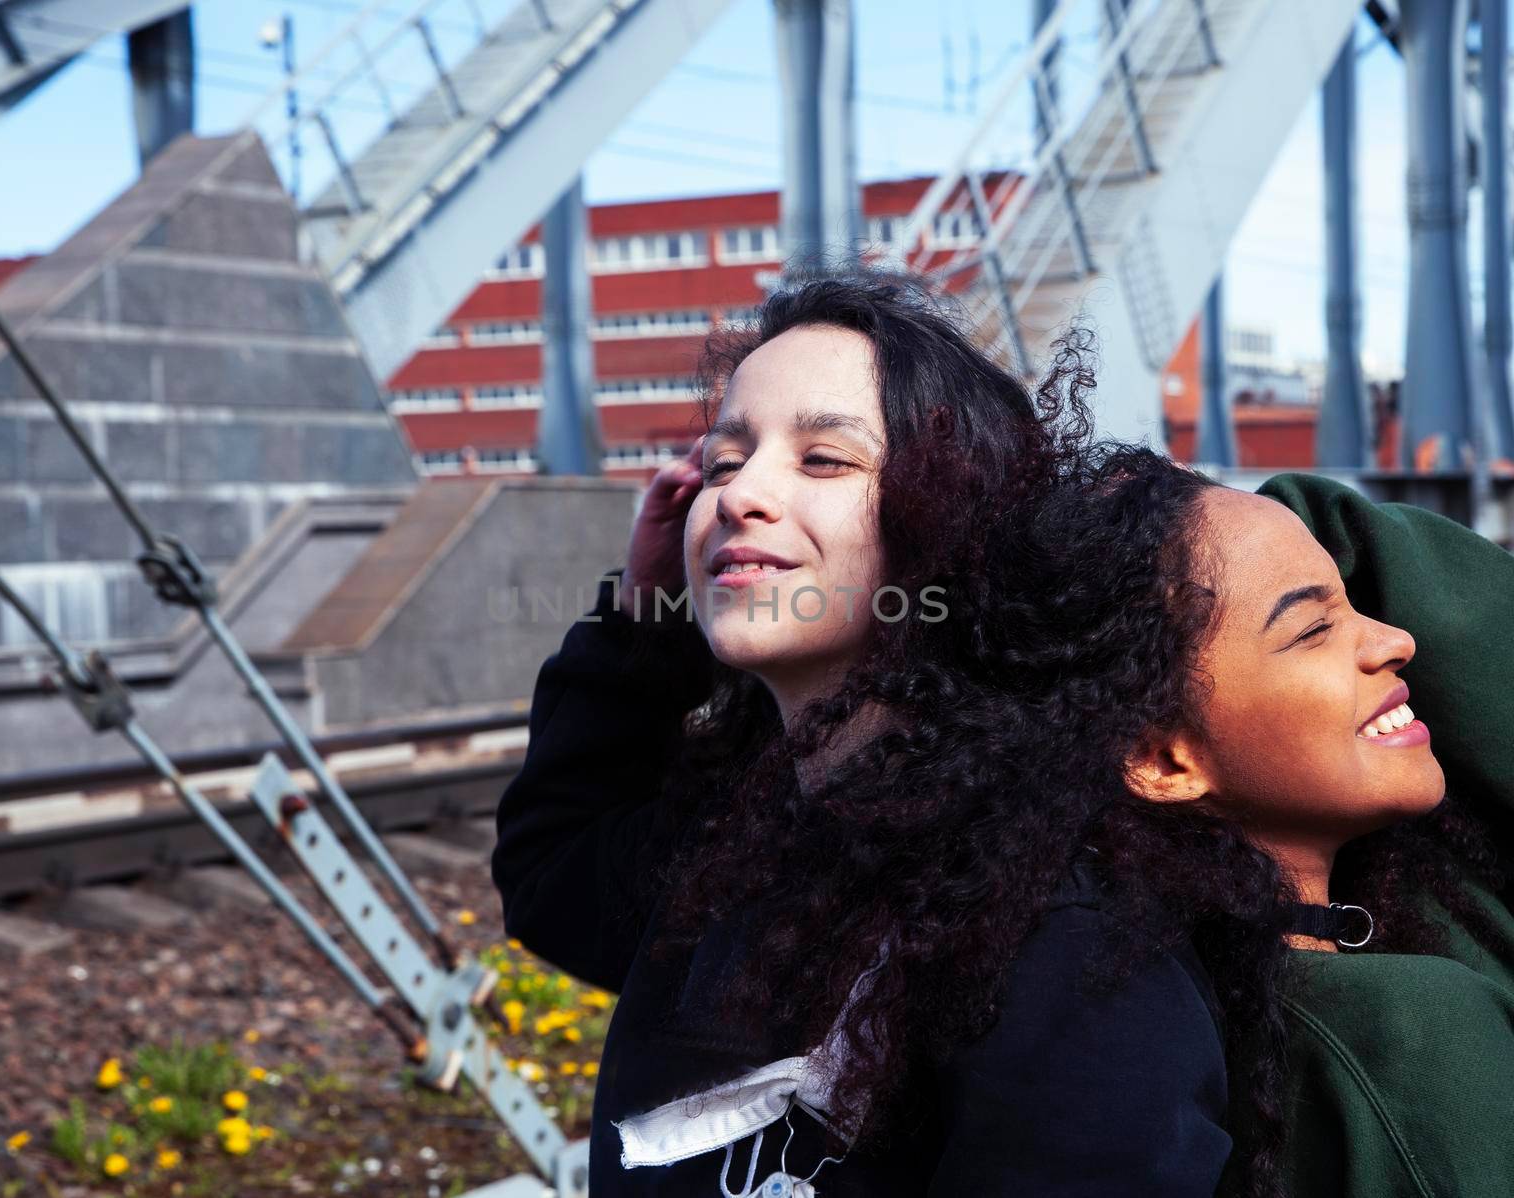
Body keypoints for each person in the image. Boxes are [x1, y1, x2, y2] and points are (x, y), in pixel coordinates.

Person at [492, 277, 1235, 1196]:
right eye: (723, 463)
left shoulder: (1051, 926)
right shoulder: (747, 844)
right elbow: (551, 874)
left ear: (953, 522)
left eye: (824, 459)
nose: (741, 495)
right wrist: (646, 617)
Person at [964, 443, 1514, 1198]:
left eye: (1353, 603)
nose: (1396, 639)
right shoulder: (1415, 1034)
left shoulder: (1188, 1003)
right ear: (1163, 762)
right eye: (1311, 630)